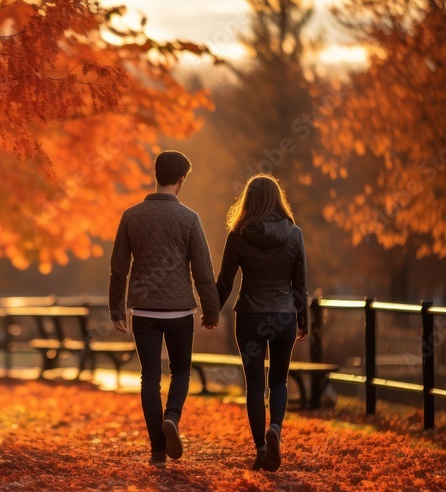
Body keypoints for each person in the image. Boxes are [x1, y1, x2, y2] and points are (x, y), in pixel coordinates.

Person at [109, 150, 221, 470]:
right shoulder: (190, 218)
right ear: (182, 179)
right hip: (179, 311)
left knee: (149, 378)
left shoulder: (131, 215)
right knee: (181, 371)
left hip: (143, 311)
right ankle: (172, 416)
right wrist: (211, 312)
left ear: (156, 174)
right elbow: (202, 270)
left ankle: (158, 451)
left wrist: (117, 309)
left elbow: (119, 268)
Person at [216, 174, 308, 472]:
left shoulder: (238, 235)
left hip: (250, 317)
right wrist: (303, 318)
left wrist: (212, 312)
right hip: (284, 317)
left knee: (255, 385)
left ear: (248, 200)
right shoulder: (294, 234)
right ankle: (276, 428)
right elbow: (300, 283)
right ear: (277, 198)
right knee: (278, 380)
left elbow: (225, 283)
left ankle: (261, 448)